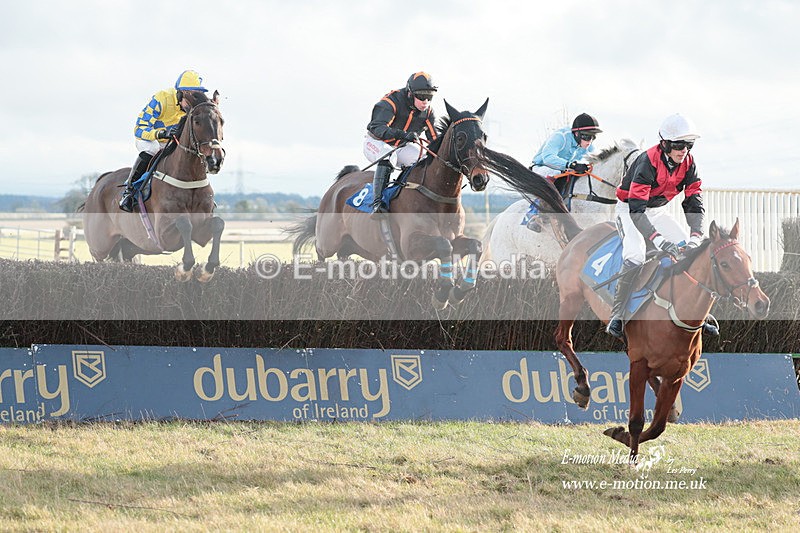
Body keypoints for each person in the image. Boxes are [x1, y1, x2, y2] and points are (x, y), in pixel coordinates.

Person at [606, 113, 711, 339]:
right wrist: (658, 239)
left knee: (690, 251)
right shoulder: (647, 161)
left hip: (657, 211)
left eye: (689, 145)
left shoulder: (689, 163)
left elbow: (694, 200)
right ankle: (617, 314)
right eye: (679, 144)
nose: (684, 150)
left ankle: (698, 312)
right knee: (635, 255)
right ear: (665, 144)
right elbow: (636, 209)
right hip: (631, 209)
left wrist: (695, 235)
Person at [119, 70, 208, 212]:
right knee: (152, 149)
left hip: (171, 141)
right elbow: (139, 129)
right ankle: (129, 192)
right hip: (149, 138)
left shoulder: (192, 110)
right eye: (188, 96)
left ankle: (201, 195)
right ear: (179, 93)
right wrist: (160, 133)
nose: (191, 102)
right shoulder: (161, 98)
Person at [364, 72, 438, 218]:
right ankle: (377, 204)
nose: (425, 102)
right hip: (376, 142)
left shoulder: (428, 112)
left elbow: (434, 139)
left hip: (400, 146)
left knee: (422, 160)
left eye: (429, 97)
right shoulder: (390, 102)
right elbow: (377, 128)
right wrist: (403, 134)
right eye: (421, 97)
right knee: (389, 157)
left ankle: (404, 194)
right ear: (410, 93)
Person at [526, 113, 602, 231]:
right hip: (541, 168)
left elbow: (596, 158)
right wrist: (571, 165)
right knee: (555, 172)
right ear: (576, 134)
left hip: (563, 169)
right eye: (587, 137)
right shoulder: (560, 137)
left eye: (593, 137)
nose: (590, 141)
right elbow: (548, 157)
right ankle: (534, 215)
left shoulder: (586, 144)